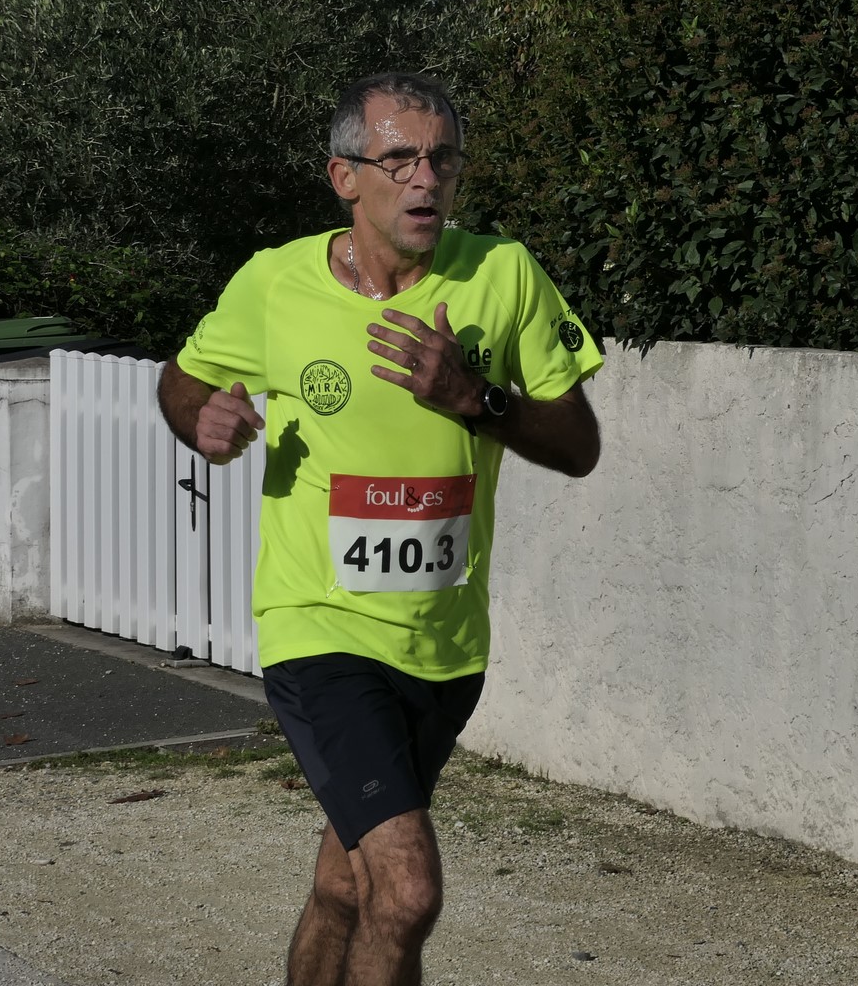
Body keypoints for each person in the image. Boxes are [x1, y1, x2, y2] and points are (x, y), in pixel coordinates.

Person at [158, 71, 603, 986]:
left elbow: (579, 445)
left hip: (444, 644)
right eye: (399, 159)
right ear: (345, 177)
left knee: (344, 888)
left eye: (443, 159)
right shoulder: (275, 284)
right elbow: (182, 381)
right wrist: (202, 419)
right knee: (406, 892)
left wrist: (475, 397)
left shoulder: (503, 273)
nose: (425, 179)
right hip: (318, 628)